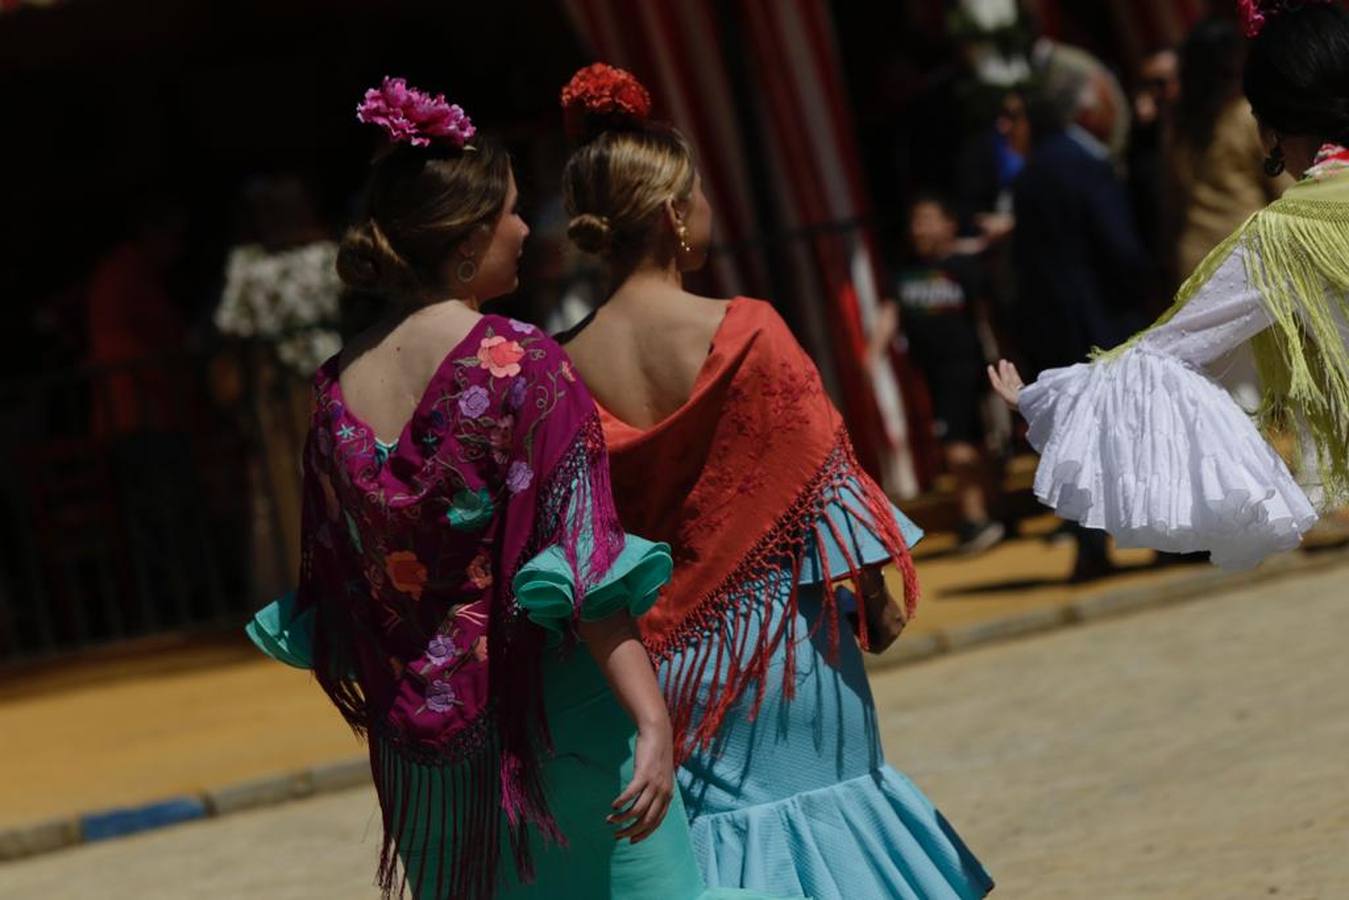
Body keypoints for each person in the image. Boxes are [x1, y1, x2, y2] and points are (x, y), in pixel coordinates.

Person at [244, 78, 783, 900]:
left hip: (424, 759)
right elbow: (586, 570)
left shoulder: (331, 391)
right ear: (464, 244)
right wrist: (650, 718)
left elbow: (344, 587)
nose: (529, 228)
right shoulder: (521, 360)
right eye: (510, 213)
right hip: (559, 725)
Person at [556, 63, 994, 900]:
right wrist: (878, 590)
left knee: (715, 859)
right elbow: (825, 479)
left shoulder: (559, 369)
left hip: (657, 660)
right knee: (832, 841)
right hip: (780, 645)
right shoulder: (745, 329)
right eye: (699, 195)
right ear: (672, 216)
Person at [988, 0, 1349, 571]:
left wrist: (1048, 398)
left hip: (1217, 265)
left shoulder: (1286, 234)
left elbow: (1165, 355)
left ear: (1268, 127)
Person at [1012, 58, 1156, 580]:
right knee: (1134, 427)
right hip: (1107, 320)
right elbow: (1118, 247)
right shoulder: (1088, 165)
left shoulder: (1029, 176)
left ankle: (1089, 544)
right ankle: (1161, 535)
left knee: (1078, 438)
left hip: (1056, 327)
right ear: (1082, 109)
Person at [891, 194, 1004, 553]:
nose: (919, 228)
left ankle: (975, 518)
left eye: (928, 218)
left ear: (949, 224)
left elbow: (986, 315)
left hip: (966, 366)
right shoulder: (906, 273)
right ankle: (990, 512)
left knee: (960, 446)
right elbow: (891, 312)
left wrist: (998, 359)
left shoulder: (965, 267)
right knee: (966, 443)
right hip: (932, 372)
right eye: (915, 221)